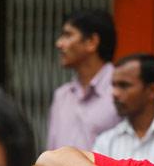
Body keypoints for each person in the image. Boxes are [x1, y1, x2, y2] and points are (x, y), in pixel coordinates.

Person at [47, 9, 121, 151]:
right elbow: (51, 154)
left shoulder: (122, 92)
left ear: (91, 42)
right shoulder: (62, 96)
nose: (59, 44)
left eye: (68, 35)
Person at [92, 53, 154, 166]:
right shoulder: (106, 141)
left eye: (124, 85)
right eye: (113, 85)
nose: (115, 93)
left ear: (152, 90)